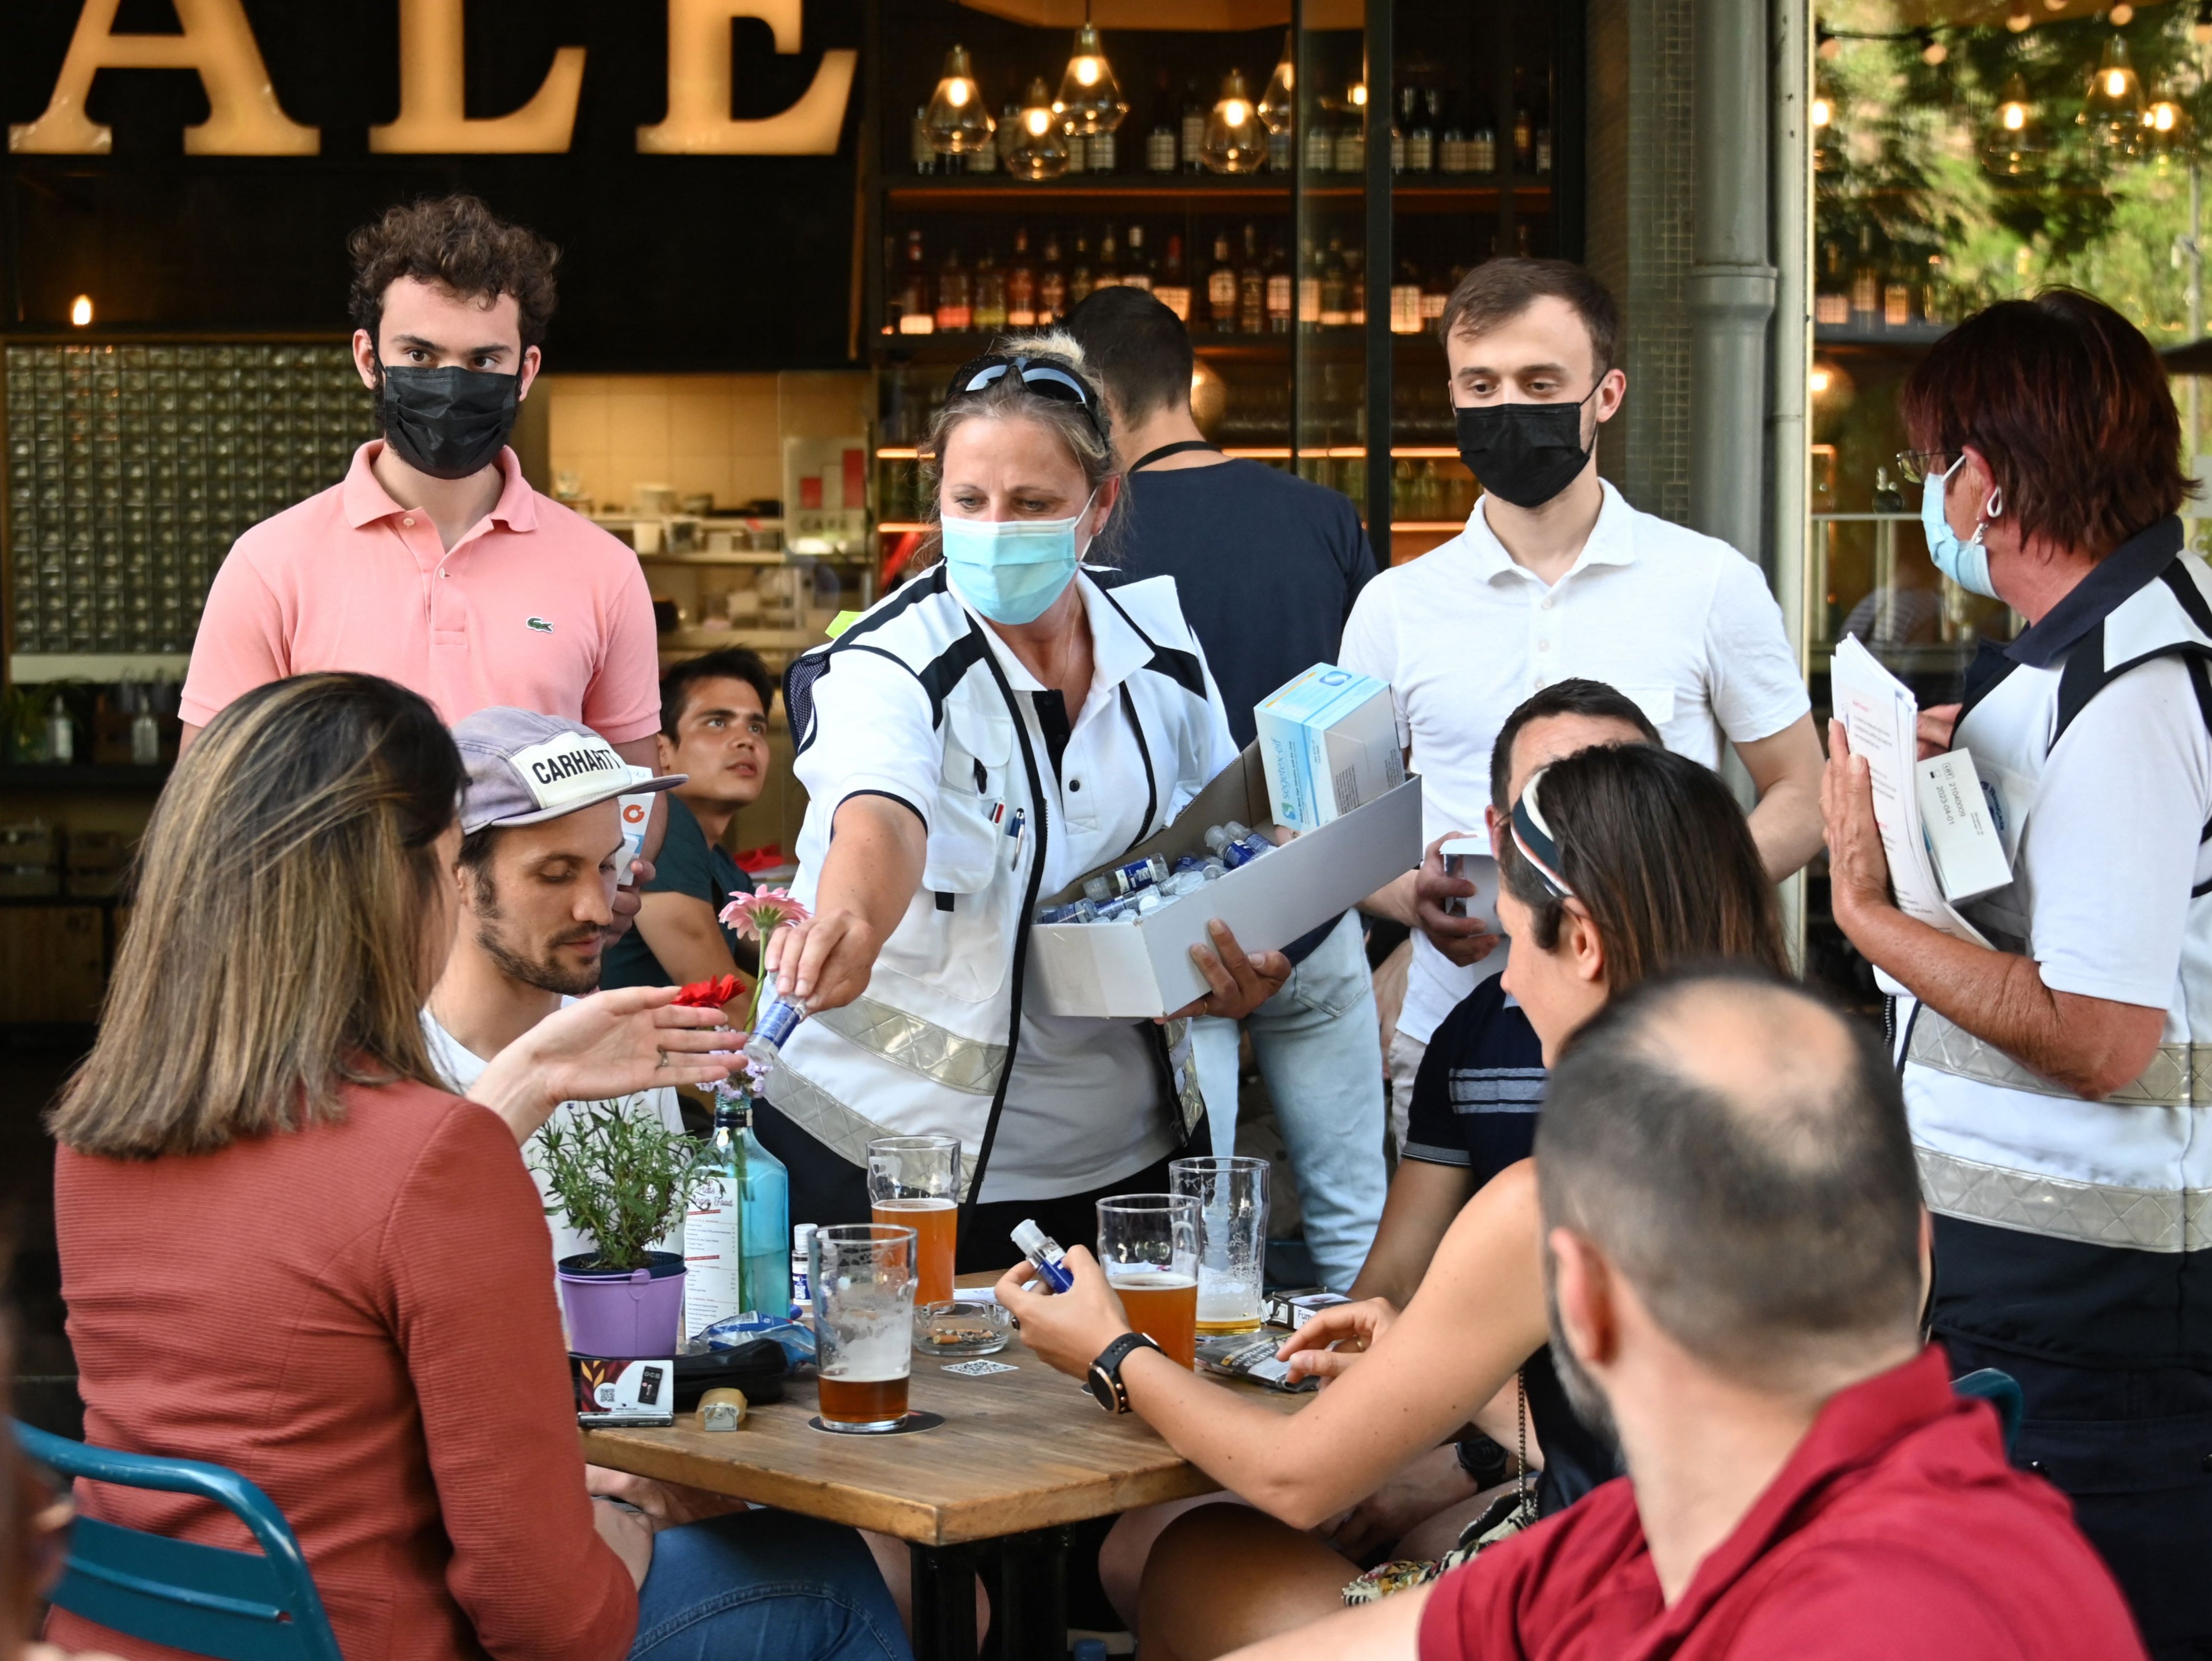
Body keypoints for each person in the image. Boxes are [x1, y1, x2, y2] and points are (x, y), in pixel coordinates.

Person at [43, 673, 909, 1661]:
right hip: (360, 1638)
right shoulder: (430, 1153)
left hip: (128, 1630)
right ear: (403, 886)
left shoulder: (95, 1134)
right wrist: (622, 1531)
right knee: (827, 1577)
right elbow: (545, 1617)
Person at [1002, 743, 1791, 1658]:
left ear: (1581, 940)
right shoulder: (1834, 1141)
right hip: (1775, 1609)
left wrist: (1112, 1349)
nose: (1505, 981)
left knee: (1203, 1555)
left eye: (1514, 939)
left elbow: (1292, 1476)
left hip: (1615, 1620)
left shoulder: (1558, 1195)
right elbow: (1700, 1445)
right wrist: (1485, 1390)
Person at [1214, 969, 2147, 1661]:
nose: (1507, 973)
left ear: (1580, 1302)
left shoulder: (1863, 1615)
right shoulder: (1666, 1526)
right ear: (1916, 1242)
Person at [1821, 290, 2212, 1657]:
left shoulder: (2132, 688)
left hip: (2097, 1310)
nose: (1932, 495)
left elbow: (2101, 1033)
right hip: (2042, 1281)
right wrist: (1951, 779)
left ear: (1982, 479)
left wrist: (1870, 916)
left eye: (1934, 465)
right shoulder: (2084, 660)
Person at [754, 334, 1287, 1259]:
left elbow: (1215, 838)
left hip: (1125, 1158)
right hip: (894, 1156)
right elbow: (878, 810)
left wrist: (1233, 951)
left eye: (1033, 503)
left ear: (1099, 504)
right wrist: (851, 921)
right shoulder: (888, 659)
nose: (996, 528)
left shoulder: (1159, 647)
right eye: (969, 501)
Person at [1340, 258, 1823, 1148]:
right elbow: (1338, 825)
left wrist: (1678, 898)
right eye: (1481, 384)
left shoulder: (1710, 582)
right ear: (1449, 393)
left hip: (1674, 1033)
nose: (1508, 406)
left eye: (1539, 383)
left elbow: (1804, 789)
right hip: (1458, 1030)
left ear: (1606, 394)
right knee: (1456, 1280)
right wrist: (1409, 897)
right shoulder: (1395, 605)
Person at [1064, 284, 1386, 1290]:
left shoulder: (1090, 539)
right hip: (1318, 908)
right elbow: (1370, 726)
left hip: (1168, 934)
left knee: (1193, 1232)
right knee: (1352, 1215)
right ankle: (1366, 1416)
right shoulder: (1322, 519)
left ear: (1093, 399)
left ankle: (1209, 1433)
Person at [179, 195, 659, 768]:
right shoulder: (269, 564)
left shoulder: (604, 569)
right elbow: (211, 795)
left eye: (483, 361)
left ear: (525, 372)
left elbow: (633, 796)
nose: (450, 386)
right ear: (367, 359)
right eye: (419, 355)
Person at [1351, 679, 1660, 1312]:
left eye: (1615, 794)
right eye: (1554, 803)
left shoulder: (1737, 1047)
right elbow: (1392, 1284)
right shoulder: (1474, 1032)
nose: (1586, 831)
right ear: (1500, 837)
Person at [421, 707, 694, 1271]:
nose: (598, 907)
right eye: (554, 874)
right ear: (455, 873)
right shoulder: (372, 1075)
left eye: (608, 865)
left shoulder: (632, 1058)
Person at [600, 648, 776, 1003]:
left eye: (756, 726)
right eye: (718, 722)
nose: (747, 740)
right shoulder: (664, 828)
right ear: (661, 751)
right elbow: (720, 1003)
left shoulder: (722, 867)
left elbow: (792, 963)